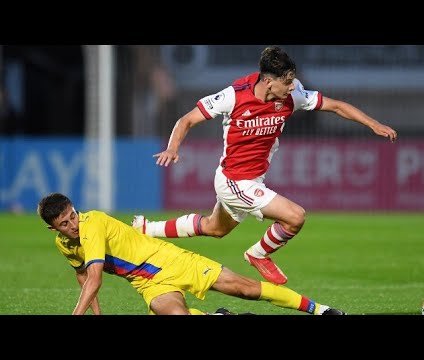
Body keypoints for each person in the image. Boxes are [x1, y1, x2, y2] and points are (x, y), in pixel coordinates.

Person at [132, 45, 398, 285]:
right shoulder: (233, 96)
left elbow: (336, 106)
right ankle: (258, 254)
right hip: (234, 181)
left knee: (215, 228)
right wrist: (172, 147)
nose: (293, 87)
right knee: (295, 217)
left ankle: (146, 228)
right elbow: (186, 120)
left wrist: (373, 124)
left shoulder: (293, 96)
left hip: (252, 180)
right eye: (288, 82)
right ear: (269, 81)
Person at [37, 192, 346, 315]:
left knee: (246, 289)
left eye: (73, 215)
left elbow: (94, 278)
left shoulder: (93, 224)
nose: (72, 224)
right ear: (54, 229)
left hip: (170, 260)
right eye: (64, 223)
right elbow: (82, 276)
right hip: (147, 282)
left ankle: (320, 310)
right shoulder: (64, 243)